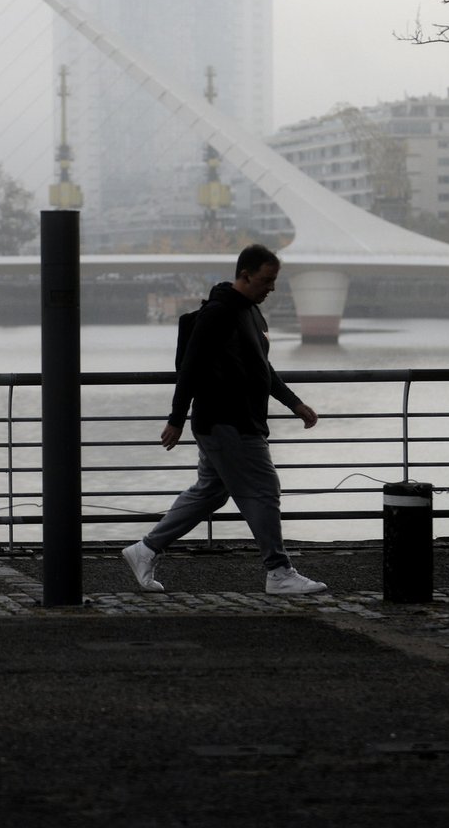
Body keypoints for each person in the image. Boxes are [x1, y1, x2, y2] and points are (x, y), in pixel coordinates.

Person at [122, 244, 328, 595]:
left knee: (210, 492)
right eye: (267, 280)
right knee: (264, 490)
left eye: (274, 281)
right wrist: (176, 419)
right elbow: (191, 367)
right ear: (245, 276)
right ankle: (279, 572)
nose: (272, 288)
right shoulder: (218, 313)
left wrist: (294, 403)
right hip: (227, 421)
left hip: (233, 420)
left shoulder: (248, 312)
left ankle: (146, 549)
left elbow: (262, 368)